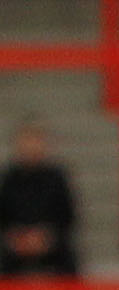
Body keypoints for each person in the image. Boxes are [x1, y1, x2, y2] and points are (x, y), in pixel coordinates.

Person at [0, 117, 78, 279]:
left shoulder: (57, 177)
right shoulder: (8, 178)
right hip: (16, 243)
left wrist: (46, 236)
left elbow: (67, 215)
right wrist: (15, 237)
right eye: (26, 142)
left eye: (35, 141)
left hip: (49, 241)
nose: (31, 147)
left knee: (69, 259)